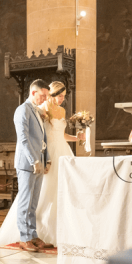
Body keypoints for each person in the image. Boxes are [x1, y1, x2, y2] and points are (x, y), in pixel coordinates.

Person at [34, 82, 86, 246]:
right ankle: (41, 232)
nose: (62, 99)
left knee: (65, 190)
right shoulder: (41, 109)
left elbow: (61, 135)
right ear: (52, 94)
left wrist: (77, 138)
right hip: (50, 153)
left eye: (64, 96)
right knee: (47, 191)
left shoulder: (62, 111)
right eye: (60, 96)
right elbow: (40, 136)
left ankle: (62, 232)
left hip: (63, 151)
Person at [13, 79, 52, 253]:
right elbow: (23, 138)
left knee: (33, 203)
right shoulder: (22, 110)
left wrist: (46, 159)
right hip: (27, 163)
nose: (45, 99)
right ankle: (24, 238)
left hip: (39, 162)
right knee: (25, 201)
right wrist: (34, 160)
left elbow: (42, 139)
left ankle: (33, 235)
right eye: (43, 95)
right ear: (33, 92)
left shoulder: (37, 111)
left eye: (47, 96)